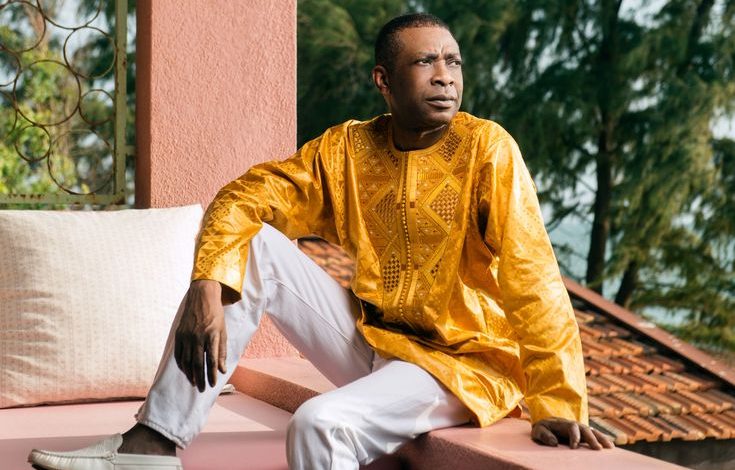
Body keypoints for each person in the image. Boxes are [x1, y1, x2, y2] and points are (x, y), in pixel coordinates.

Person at [29, 12, 613, 470]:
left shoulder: (488, 149)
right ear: (384, 81)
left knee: (318, 423)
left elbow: (533, 278)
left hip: (459, 365)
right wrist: (206, 283)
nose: (445, 75)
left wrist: (559, 403)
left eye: (453, 61)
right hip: (376, 342)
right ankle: (153, 444)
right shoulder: (348, 149)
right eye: (425, 61)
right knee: (253, 244)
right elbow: (244, 197)